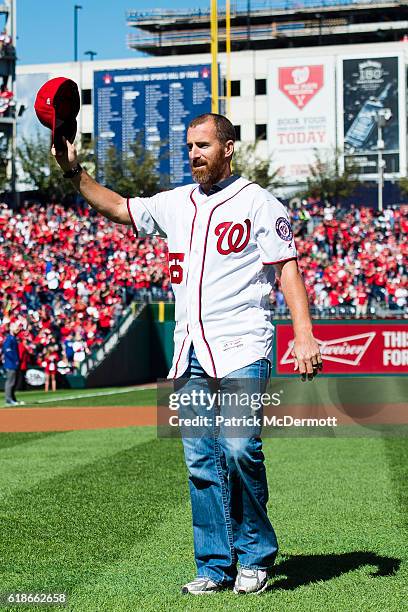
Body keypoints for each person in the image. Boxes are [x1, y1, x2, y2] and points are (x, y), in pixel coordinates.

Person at [52, 113, 322, 595]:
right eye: (189, 146)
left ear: (229, 148)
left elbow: (287, 270)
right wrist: (76, 173)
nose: (194, 153)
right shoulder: (176, 201)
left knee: (239, 448)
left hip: (242, 342)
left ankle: (255, 555)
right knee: (200, 462)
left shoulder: (258, 202)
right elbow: (118, 207)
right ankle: (216, 566)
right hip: (189, 349)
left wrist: (303, 333)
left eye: (203, 145)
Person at [2, 322, 25, 406]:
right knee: (10, 382)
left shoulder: (14, 338)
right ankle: (8, 400)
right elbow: (7, 351)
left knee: (14, 382)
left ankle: (13, 399)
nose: (18, 329)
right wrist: (15, 360)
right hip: (10, 364)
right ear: (11, 328)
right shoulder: (9, 338)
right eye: (16, 327)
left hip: (14, 364)